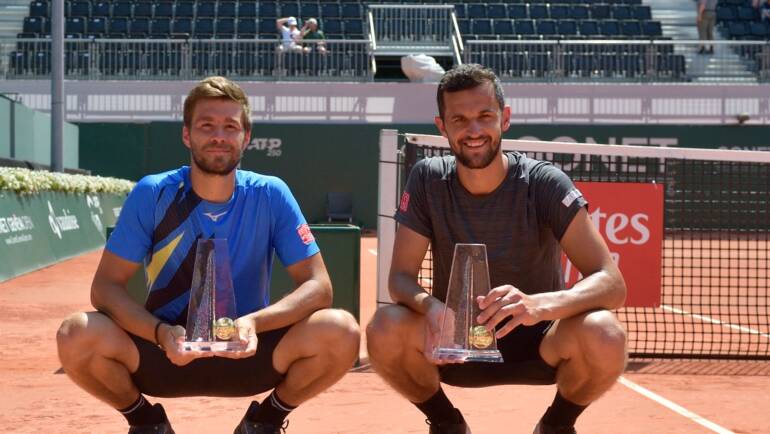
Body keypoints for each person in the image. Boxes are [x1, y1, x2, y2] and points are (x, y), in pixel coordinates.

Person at [56, 76, 360, 434]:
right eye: (206, 125)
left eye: (230, 126)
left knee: (342, 331)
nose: (219, 135)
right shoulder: (152, 192)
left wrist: (253, 324)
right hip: (167, 353)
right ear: (187, 135)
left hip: (248, 352)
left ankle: (265, 421)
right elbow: (105, 288)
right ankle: (146, 422)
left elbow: (319, 286)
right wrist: (160, 333)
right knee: (75, 333)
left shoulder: (271, 194)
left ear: (246, 137)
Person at [366, 64, 627, 434]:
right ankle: (446, 422)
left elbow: (611, 283)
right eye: (459, 119)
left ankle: (556, 425)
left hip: (542, 342)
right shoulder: (426, 178)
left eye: (484, 116)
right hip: (455, 346)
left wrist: (539, 305)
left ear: (504, 118)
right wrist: (434, 309)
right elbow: (401, 278)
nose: (473, 131)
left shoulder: (544, 182)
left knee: (605, 332)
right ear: (442, 127)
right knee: (384, 327)